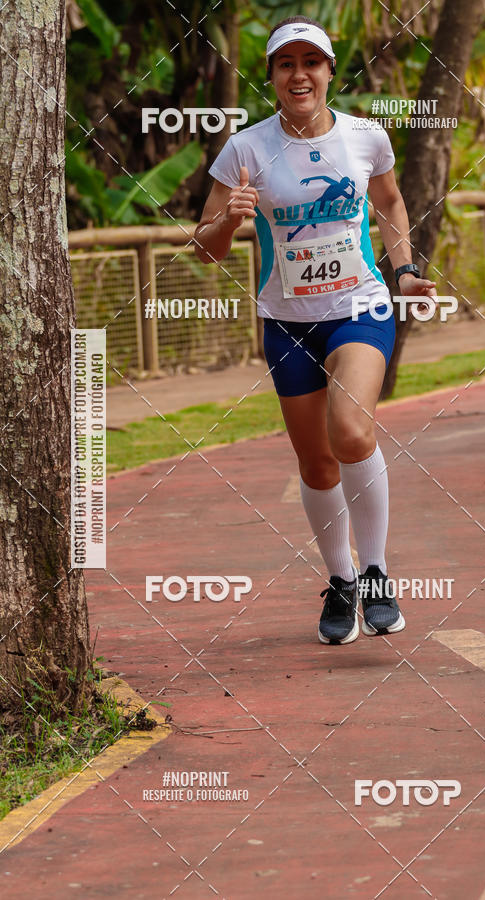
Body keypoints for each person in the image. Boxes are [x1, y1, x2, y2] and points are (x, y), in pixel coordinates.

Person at [195, 16, 436, 644]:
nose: (299, 74)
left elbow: (389, 201)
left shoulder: (364, 137)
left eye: (311, 62)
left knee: (351, 432)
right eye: (286, 64)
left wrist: (405, 270)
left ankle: (376, 572)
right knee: (316, 461)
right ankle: (341, 579)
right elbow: (205, 248)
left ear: (330, 71)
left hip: (361, 307)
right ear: (272, 75)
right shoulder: (245, 150)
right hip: (287, 323)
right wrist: (230, 221)